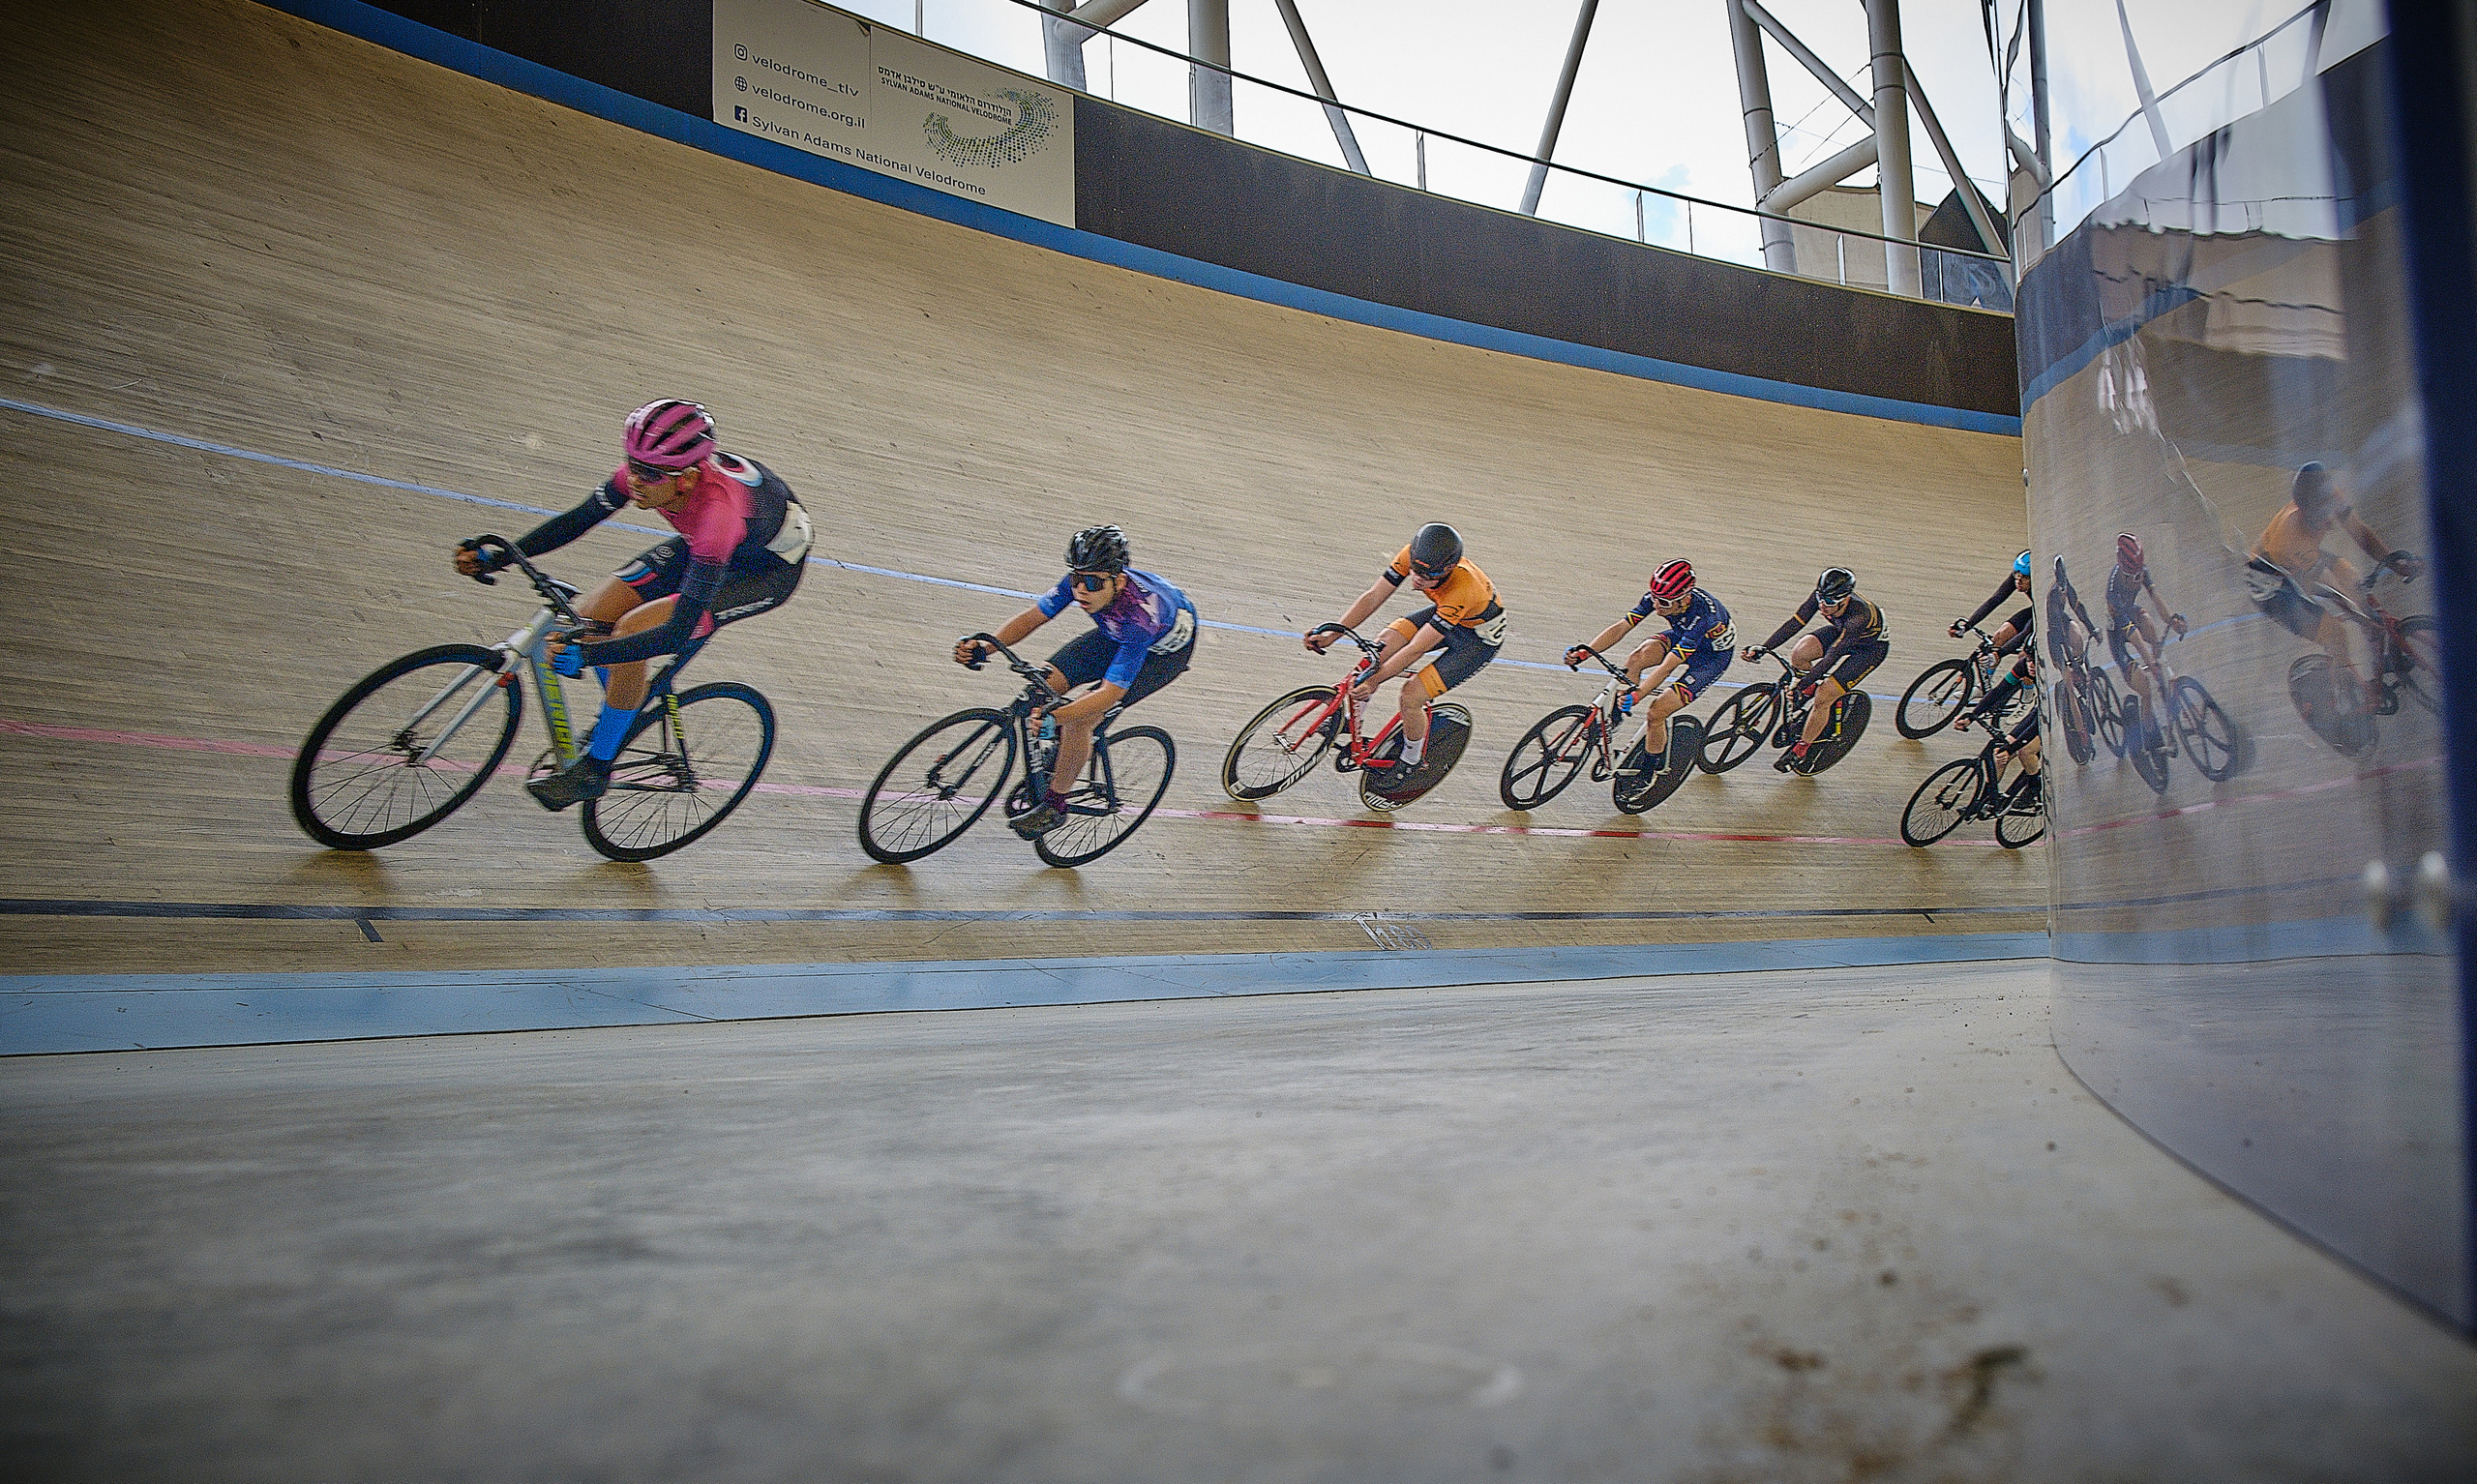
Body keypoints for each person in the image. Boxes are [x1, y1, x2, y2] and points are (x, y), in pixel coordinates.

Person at [455, 400, 811, 809]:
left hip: (760, 574)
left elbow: (675, 633)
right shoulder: (655, 472)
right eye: (631, 464)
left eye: (648, 473)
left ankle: (597, 768)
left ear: (687, 478)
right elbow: (579, 518)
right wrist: (503, 555)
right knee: (588, 614)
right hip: (715, 545)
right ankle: (626, 701)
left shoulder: (718, 519)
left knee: (632, 631)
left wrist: (589, 656)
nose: (635, 480)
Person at [954, 525, 1197, 837]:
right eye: (1076, 579)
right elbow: (1033, 617)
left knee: (1079, 722)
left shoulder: (1140, 620)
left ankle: (1056, 805)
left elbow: (1110, 693)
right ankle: (1061, 752)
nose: (1082, 590)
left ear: (1118, 581)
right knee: (1041, 687)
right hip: (1114, 633)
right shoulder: (1085, 580)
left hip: (1158, 655)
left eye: (1093, 582)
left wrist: (1059, 717)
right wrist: (987, 647)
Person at [1305, 522, 1505, 800]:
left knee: (1410, 695)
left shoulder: (1463, 590)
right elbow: (1373, 597)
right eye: (1414, 570)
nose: (1417, 579)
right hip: (1447, 615)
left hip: (1475, 643)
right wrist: (1333, 634)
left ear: (1446, 571)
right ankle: (1349, 719)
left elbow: (1415, 650)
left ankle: (1411, 760)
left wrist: (1374, 679)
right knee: (1383, 644)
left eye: (1428, 576)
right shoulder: (1412, 554)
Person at [2246, 461, 2422, 713]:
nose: (2329, 520)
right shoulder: (2291, 533)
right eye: (2319, 514)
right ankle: (2345, 704)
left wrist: (2395, 563)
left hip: (2302, 559)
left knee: (2352, 577)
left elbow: (2361, 533)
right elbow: (2324, 587)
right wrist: (2361, 618)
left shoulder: (2329, 493)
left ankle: (2375, 649)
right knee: (2334, 632)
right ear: (2304, 510)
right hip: (2269, 584)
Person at [1564, 558, 1733, 774]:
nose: (1655, 605)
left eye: (1663, 603)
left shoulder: (1706, 618)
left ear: (1684, 600)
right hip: (1683, 637)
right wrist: (1586, 651)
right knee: (1637, 658)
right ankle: (1614, 719)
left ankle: (1649, 770)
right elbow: (1623, 626)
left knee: (1656, 712)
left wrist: (1638, 695)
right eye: (1654, 598)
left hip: (1710, 660)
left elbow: (1667, 667)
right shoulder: (1662, 598)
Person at [1744, 567, 1889, 773]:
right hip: (1842, 633)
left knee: (1825, 694)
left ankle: (1801, 749)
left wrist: (1802, 685)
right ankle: (1803, 699)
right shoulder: (1823, 597)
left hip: (1869, 651)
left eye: (1829, 603)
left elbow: (1832, 657)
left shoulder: (1859, 616)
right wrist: (1765, 647)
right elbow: (1795, 623)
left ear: (1845, 600)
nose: (1823, 606)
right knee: (1800, 653)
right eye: (1821, 599)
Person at [2103, 531, 2188, 748]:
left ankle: (2165, 680)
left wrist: (2172, 620)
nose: (2138, 579)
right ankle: (2150, 736)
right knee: (2145, 687)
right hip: (2119, 634)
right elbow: (2134, 636)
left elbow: (2156, 597)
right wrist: (2149, 662)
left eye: (2140, 573)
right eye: (2133, 576)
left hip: (2132, 615)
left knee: (2148, 621)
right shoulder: (2113, 592)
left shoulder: (2140, 571)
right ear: (2122, 569)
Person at [1953, 549, 2035, 657]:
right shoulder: (2020, 575)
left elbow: (2028, 629)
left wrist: (1999, 654)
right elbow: (1995, 600)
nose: (2018, 581)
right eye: (2017, 575)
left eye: (2024, 578)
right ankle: (1988, 673)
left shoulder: (2042, 590)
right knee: (1999, 637)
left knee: (2024, 656)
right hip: (2035, 609)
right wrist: (1967, 626)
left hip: (2049, 613)